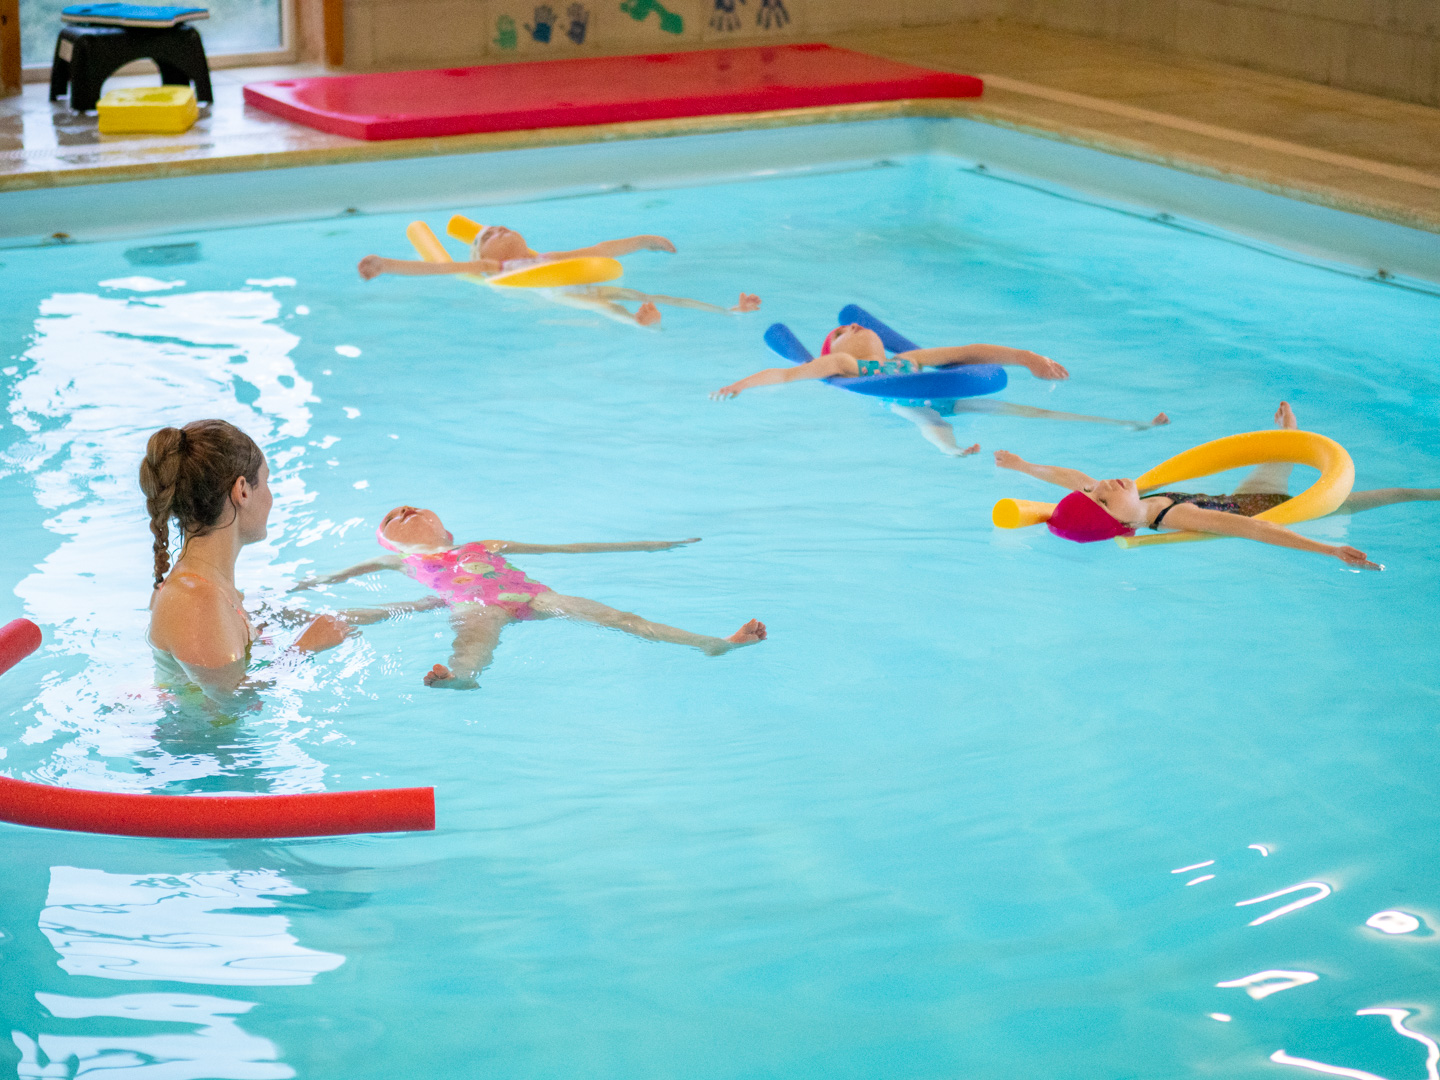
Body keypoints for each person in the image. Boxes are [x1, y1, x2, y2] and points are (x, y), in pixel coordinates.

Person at [292, 506, 767, 689]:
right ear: (394, 546)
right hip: (472, 604)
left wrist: (646, 543)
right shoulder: (400, 562)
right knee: (473, 643)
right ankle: (461, 677)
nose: (404, 508)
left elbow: (571, 548)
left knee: (623, 617)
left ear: (447, 528)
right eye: (393, 518)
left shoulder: (485, 545)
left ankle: (711, 642)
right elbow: (340, 575)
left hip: (534, 595)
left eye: (414, 507)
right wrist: (304, 586)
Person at [141, 421, 442, 701]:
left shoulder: (208, 586)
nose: (271, 497)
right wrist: (304, 648)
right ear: (242, 491)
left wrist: (421, 606)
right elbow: (229, 702)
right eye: (267, 481)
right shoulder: (197, 599)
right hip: (198, 753)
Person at [995, 402, 1440, 569]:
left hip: (1246, 497)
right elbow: (1254, 530)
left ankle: (1288, 439)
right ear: (1121, 521)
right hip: (1284, 511)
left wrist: (1023, 465)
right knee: (1393, 496)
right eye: (1104, 496)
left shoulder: (1125, 503)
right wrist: (1327, 550)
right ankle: (1429, 492)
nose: (1102, 484)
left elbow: (1070, 478)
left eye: (1095, 490)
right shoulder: (1175, 516)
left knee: (1278, 453)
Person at [711, 322, 1168, 455]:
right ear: (836, 346)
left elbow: (969, 350)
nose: (853, 325)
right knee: (923, 419)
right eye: (844, 329)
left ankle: (1128, 424)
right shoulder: (844, 362)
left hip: (930, 386)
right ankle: (951, 451)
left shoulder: (907, 360)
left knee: (1026, 412)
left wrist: (1029, 359)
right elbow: (790, 375)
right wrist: (740, 385)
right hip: (899, 397)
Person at [357, 224, 761, 328]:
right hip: (554, 292)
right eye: (488, 236)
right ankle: (639, 323)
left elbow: (599, 251)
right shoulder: (491, 268)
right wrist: (387, 264)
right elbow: (439, 268)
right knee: (597, 304)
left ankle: (729, 311)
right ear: (481, 254)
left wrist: (642, 240)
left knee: (642, 290)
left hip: (572, 275)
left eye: (500, 226)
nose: (499, 231)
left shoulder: (550, 256)